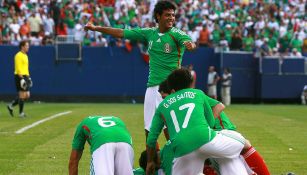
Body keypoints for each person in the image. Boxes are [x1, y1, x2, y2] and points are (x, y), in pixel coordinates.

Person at [84, 0, 196, 140]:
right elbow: (121, 32)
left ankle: (175, 159)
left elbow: (190, 42)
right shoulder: (148, 33)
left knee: (171, 130)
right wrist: (96, 28)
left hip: (171, 88)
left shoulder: (177, 34)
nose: (171, 18)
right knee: (149, 130)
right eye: (168, 15)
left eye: (173, 15)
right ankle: (152, 161)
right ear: (158, 16)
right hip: (152, 87)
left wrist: (191, 45)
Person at [146, 68, 249, 175]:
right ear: (190, 83)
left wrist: (149, 162)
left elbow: (151, 139)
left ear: (171, 88)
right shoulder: (198, 93)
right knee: (244, 144)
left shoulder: (162, 106)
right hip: (205, 139)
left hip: (182, 150)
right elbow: (210, 122)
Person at [69, 116, 134, 175]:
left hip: (102, 143)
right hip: (126, 142)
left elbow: (73, 160)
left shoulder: (82, 125)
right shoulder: (118, 119)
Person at [7, 40, 32, 117]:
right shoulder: (18, 55)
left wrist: (29, 78)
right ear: (22, 47)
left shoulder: (26, 56)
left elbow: (26, 68)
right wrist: (21, 79)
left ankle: (11, 105)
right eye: (27, 46)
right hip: (19, 76)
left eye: (28, 46)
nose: (28, 47)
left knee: (27, 95)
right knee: (22, 95)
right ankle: (21, 113)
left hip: (25, 76)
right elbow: (18, 68)